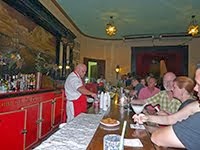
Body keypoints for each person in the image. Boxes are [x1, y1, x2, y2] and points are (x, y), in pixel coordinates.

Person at [133, 68, 200, 149]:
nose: (195, 89)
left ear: (182, 90)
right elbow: (170, 119)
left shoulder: (191, 106)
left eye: (199, 84)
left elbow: (158, 137)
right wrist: (146, 118)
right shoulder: (195, 105)